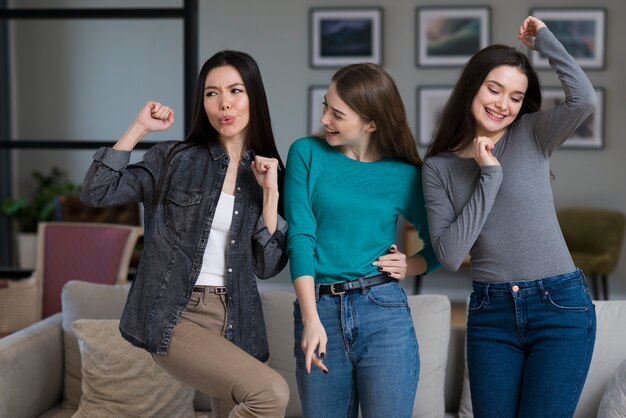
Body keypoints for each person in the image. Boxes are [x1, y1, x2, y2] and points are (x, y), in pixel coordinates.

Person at [80, 50, 290, 418]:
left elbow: (267, 265)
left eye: (235, 91)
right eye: (212, 93)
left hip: (238, 317)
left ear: (253, 97)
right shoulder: (173, 159)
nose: (224, 103)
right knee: (270, 393)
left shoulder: (268, 172)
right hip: (177, 313)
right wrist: (139, 128)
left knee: (243, 406)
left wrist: (270, 193)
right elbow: (97, 192)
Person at [422, 16, 597, 418]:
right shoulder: (438, 168)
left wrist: (547, 42)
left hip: (560, 308)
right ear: (473, 87)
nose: (503, 104)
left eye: (515, 97)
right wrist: (489, 175)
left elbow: (585, 100)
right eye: (494, 89)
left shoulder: (533, 133)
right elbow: (450, 254)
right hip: (491, 313)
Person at [284, 63, 440, 418]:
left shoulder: (405, 175)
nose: (325, 119)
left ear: (371, 123)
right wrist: (310, 317)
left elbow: (441, 246)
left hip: (383, 311)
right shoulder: (305, 153)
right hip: (319, 307)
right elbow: (301, 235)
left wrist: (411, 263)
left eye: (337, 113)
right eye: (325, 106)